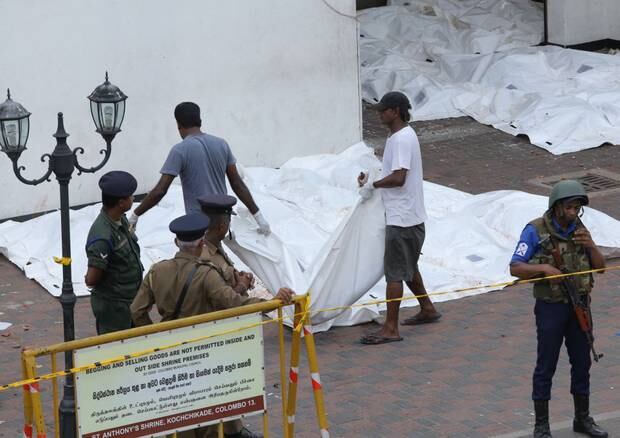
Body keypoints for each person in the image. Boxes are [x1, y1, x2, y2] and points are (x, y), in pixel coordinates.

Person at [130, 213, 294, 438]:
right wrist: (273, 302)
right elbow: (236, 304)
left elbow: (136, 311)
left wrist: (155, 338)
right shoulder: (206, 274)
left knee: (176, 407)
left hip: (168, 350)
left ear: (176, 242)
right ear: (200, 244)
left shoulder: (156, 271)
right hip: (203, 349)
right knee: (206, 407)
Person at [510, 180, 607, 438]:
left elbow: (600, 267)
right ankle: (541, 425)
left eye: (577, 208)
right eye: (569, 207)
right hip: (551, 307)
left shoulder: (579, 229)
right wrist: (544, 268)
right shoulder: (535, 230)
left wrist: (591, 245)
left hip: (580, 306)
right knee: (546, 365)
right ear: (556, 207)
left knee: (582, 362)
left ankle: (582, 418)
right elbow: (515, 267)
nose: (573, 213)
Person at [357, 91, 441, 345]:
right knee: (408, 265)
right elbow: (392, 172)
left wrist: (373, 184)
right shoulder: (398, 136)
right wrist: (372, 179)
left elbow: (399, 177)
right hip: (408, 216)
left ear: (396, 111)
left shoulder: (402, 139)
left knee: (394, 274)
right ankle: (427, 308)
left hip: (402, 219)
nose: (380, 114)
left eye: (384, 110)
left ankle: (390, 328)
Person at [129, 101, 270, 235]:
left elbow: (160, 190)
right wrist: (259, 217)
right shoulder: (221, 144)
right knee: (215, 255)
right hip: (223, 221)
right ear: (200, 121)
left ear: (178, 124)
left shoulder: (180, 150)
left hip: (199, 224)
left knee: (197, 258)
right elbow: (237, 184)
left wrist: (135, 215)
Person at [85, 171, 144, 335]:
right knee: (116, 353)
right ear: (121, 202)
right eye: (130, 196)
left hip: (130, 302)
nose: (133, 198)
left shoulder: (121, 219)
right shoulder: (102, 236)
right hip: (115, 309)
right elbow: (92, 279)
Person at [198, 194, 254, 296]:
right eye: (229, 222)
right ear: (222, 227)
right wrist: (242, 286)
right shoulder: (204, 257)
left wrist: (238, 276)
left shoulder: (215, 245)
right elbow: (218, 301)